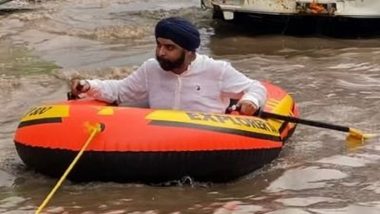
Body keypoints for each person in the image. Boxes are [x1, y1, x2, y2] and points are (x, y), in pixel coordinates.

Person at [71, 17, 266, 116]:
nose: (161, 52)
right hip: (159, 141)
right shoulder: (151, 68)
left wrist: (251, 101)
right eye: (159, 45)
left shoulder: (216, 70)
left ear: (189, 51)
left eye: (169, 47)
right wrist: (89, 85)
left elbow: (255, 87)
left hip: (206, 140)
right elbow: (120, 91)